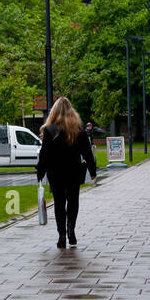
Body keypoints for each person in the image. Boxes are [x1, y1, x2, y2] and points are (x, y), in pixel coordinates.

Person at [36, 96, 98, 249]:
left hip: (55, 171)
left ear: (54, 111)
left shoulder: (49, 131)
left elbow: (44, 153)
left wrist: (40, 170)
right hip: (74, 170)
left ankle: (61, 235)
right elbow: (87, 152)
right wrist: (92, 170)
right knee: (73, 201)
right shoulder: (78, 131)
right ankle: (71, 229)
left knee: (59, 203)